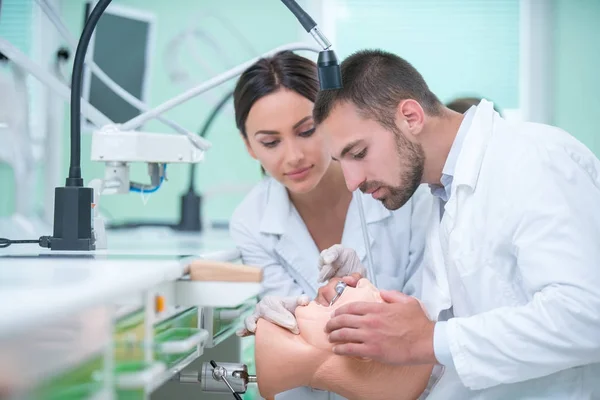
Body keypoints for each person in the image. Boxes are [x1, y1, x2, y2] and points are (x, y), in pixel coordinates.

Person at [311, 49, 600, 399]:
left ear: (411, 116)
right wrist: (382, 317)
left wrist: (429, 338)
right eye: (341, 162)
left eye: (358, 153)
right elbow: (464, 330)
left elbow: (588, 315)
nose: (351, 182)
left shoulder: (533, 157)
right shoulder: (439, 194)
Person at [228, 51, 432, 400]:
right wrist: (276, 321)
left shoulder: (401, 191)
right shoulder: (251, 222)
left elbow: (426, 326)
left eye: (306, 131)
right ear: (249, 147)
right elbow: (291, 348)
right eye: (270, 142)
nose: (293, 156)